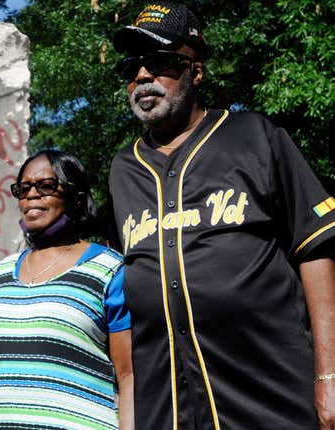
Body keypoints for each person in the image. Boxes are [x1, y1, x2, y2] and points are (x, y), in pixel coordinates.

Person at [107, 2, 335, 429]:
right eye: (131, 67)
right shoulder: (124, 168)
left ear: (196, 71)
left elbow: (317, 248)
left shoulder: (254, 136)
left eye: (160, 63)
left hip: (270, 401)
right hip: (168, 410)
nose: (142, 76)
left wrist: (329, 377)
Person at [0, 149, 134, 430]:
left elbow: (127, 377)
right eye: (23, 188)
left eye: (46, 186)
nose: (31, 195)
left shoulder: (108, 269)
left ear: (76, 197)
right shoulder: (3, 271)